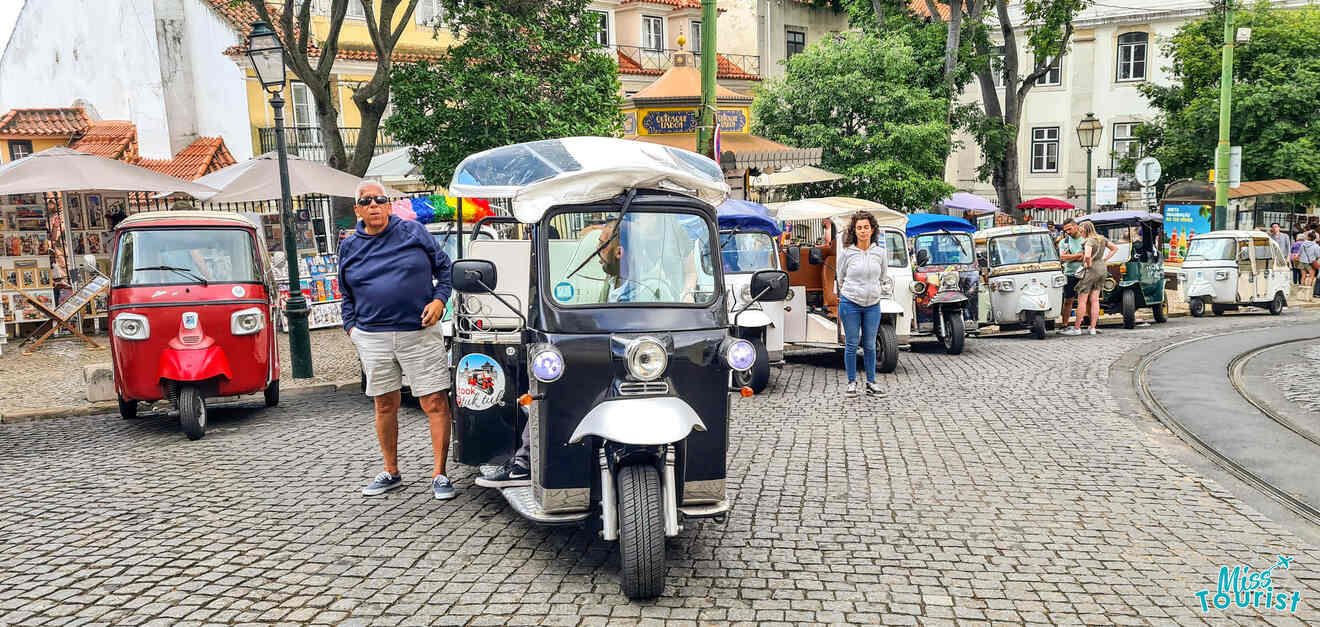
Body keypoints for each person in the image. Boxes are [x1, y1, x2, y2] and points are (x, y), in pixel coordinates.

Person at [340, 180, 457, 501]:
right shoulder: (349, 247)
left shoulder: (413, 232)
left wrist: (439, 301)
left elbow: (445, 270)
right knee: (384, 404)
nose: (374, 205)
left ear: (390, 205)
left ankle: (440, 474)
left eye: (380, 199)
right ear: (358, 210)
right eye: (367, 201)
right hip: (372, 336)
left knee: (434, 402)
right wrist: (353, 330)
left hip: (418, 332)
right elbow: (345, 294)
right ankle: (391, 471)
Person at [835, 211, 888, 397]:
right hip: (850, 303)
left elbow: (882, 276)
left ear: (872, 229)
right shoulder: (847, 253)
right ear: (854, 231)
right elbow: (840, 277)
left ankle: (871, 382)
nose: (863, 231)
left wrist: (874, 291)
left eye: (866, 227)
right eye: (859, 228)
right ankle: (851, 383)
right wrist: (847, 293)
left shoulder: (880, 253)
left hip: (873, 304)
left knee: (870, 345)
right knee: (851, 344)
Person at [1062, 220, 1117, 336]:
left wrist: (1088, 263)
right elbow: (1115, 248)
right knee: (1095, 300)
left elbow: (1087, 255)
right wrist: (1105, 259)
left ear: (1085, 230)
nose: (1080, 232)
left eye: (1081, 230)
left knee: (1082, 300)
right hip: (1102, 269)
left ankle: (1077, 328)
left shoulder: (1089, 241)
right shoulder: (1102, 238)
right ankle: (1092, 328)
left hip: (1091, 270)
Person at [1056, 219, 1085, 331]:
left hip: (1083, 272)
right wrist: (1078, 256)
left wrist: (1071, 257)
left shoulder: (1084, 240)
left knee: (1084, 299)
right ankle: (1065, 324)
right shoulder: (1064, 242)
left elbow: (1085, 256)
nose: (1068, 232)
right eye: (1066, 230)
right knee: (1068, 300)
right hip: (1069, 273)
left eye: (1070, 229)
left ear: (1076, 226)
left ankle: (1085, 321)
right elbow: (1062, 257)